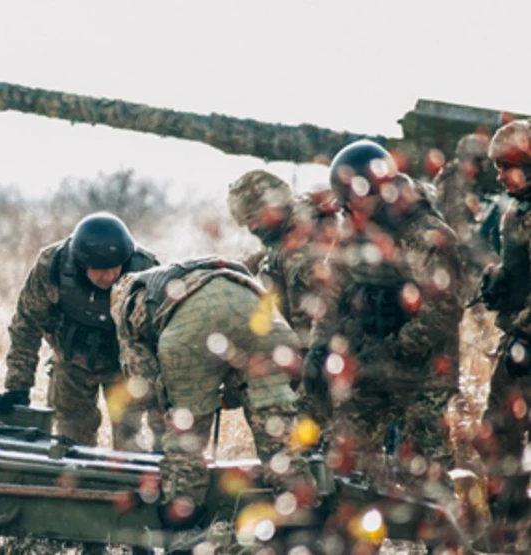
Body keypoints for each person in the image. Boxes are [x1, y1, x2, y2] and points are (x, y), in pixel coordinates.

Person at [110, 256, 314, 540]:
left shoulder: (127, 302)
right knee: (278, 433)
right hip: (264, 321)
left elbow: (140, 377)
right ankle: (302, 519)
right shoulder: (191, 272)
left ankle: (183, 529)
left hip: (190, 330)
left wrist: (168, 412)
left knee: (187, 440)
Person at [306, 139, 465, 498]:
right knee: (345, 462)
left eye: (351, 196)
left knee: (424, 474)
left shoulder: (427, 236)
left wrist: (392, 351)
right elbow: (330, 296)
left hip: (424, 372)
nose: (345, 207)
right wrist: (318, 350)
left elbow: (444, 311)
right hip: (370, 369)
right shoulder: (353, 230)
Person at [0, 212, 163, 451]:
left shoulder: (147, 270)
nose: (110, 276)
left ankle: (126, 487)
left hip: (125, 364)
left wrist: (161, 392)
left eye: (115, 268)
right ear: (82, 264)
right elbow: (26, 324)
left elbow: (160, 335)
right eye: (100, 270)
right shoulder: (52, 266)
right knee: (72, 441)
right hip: (71, 362)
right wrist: (18, 387)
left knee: (129, 441)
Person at [473, 120, 531, 528]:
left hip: (527, 341)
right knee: (497, 432)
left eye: (506, 165)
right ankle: (509, 519)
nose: (498, 174)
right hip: (521, 340)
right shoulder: (517, 209)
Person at [227, 169, 342, 354]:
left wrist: (303, 370)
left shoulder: (299, 253)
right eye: (246, 222)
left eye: (254, 218)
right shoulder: (293, 224)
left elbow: (306, 329)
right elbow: (267, 252)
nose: (252, 228)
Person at [433, 133, 502, 277]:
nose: (478, 171)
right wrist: (489, 261)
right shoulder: (448, 186)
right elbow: (459, 233)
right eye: (477, 163)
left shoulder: (462, 186)